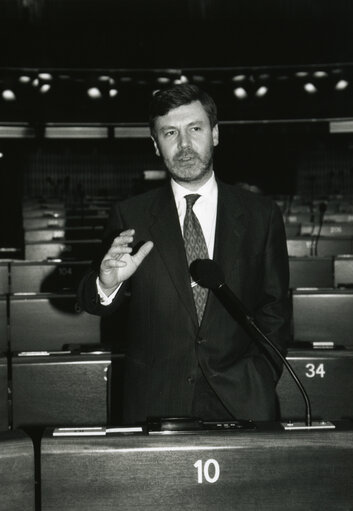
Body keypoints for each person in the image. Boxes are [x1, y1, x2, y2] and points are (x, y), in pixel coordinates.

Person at [78, 84, 290, 425]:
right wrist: (107, 285)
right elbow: (92, 302)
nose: (184, 144)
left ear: (215, 134)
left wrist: (261, 374)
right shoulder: (130, 215)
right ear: (155, 145)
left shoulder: (261, 215)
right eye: (170, 133)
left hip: (244, 400)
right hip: (155, 401)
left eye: (195, 129)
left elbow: (275, 309)